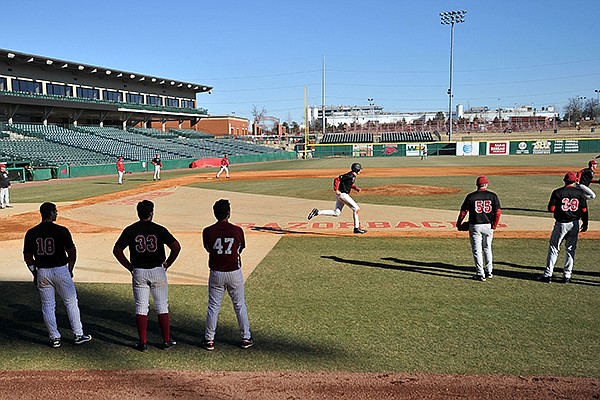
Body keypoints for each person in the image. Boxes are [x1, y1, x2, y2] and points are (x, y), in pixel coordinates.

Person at [113, 200, 181, 351]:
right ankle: (166, 340)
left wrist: (129, 266)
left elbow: (117, 250)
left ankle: (142, 343)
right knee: (162, 306)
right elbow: (176, 247)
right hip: (158, 270)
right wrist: (168, 263)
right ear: (151, 212)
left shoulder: (130, 230)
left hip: (139, 272)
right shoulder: (159, 229)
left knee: (141, 307)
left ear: (138, 213)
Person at [23, 202, 92, 348]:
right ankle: (78, 334)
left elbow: (27, 255)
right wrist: (70, 268)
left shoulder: (32, 232)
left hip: (43, 272)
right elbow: (72, 251)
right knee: (71, 303)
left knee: (47, 306)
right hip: (61, 270)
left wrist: (34, 272)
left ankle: (54, 338)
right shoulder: (61, 230)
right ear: (50, 213)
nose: (57, 213)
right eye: (55, 211)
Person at [201, 199, 253, 351]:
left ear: (215, 213)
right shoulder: (237, 230)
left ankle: (209, 340)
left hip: (216, 272)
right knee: (239, 305)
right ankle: (245, 337)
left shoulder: (208, 230)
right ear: (228, 213)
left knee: (213, 307)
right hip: (234, 272)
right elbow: (240, 248)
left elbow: (208, 248)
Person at [540, 172, 588, 283]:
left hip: (561, 224)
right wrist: (585, 223)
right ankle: (567, 276)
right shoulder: (580, 193)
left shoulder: (558, 192)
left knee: (554, 248)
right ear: (575, 181)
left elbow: (551, 209)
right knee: (570, 250)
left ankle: (548, 275)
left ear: (564, 180)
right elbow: (584, 210)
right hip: (575, 223)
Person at [456, 176, 502, 281]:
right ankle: (489, 271)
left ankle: (480, 273)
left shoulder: (471, 196)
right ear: (486, 184)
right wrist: (494, 225)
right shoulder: (493, 196)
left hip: (475, 225)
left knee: (477, 250)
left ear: (477, 184)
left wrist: (459, 224)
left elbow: (463, 212)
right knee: (487, 248)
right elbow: (498, 213)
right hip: (488, 226)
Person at [307, 162, 366, 234]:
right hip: (343, 195)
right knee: (356, 208)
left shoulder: (352, 176)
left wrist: (355, 188)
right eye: (360, 169)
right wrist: (336, 189)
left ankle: (317, 212)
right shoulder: (349, 175)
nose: (360, 171)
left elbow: (349, 183)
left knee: (336, 213)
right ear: (357, 170)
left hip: (341, 195)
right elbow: (337, 179)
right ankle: (356, 228)